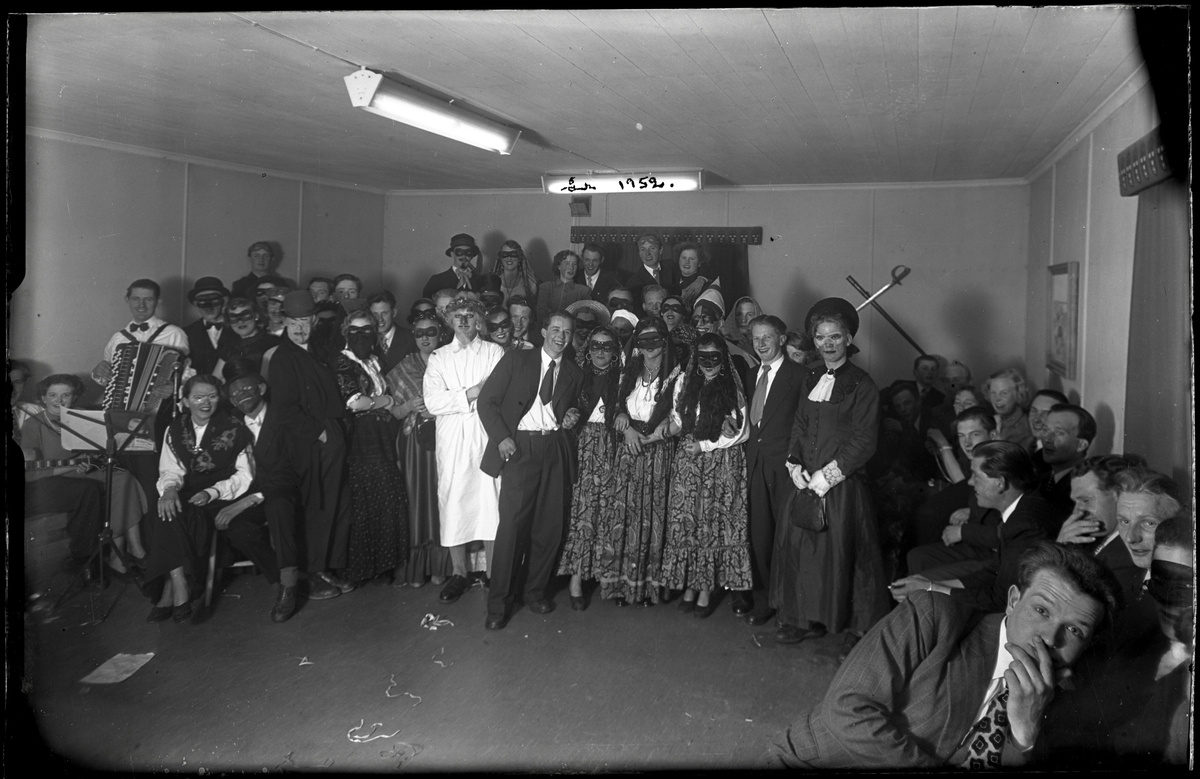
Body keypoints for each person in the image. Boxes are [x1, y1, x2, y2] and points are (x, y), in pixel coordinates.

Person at [772, 542, 1122, 769]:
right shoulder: (936, 617)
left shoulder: (1069, 697)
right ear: (1014, 600)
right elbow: (847, 710)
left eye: (1074, 630)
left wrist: (1024, 734)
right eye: (1041, 611)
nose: (1050, 637)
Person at [774, 298, 890, 658]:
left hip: (841, 486)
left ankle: (854, 629)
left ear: (849, 338)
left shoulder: (863, 384)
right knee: (803, 551)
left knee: (842, 555)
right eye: (821, 337)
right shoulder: (810, 376)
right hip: (805, 479)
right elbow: (800, 423)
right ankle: (807, 619)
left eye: (835, 337)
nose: (828, 343)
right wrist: (794, 463)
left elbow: (864, 441)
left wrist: (826, 477)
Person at [140, 374, 276, 623]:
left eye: (211, 396)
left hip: (224, 496)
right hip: (187, 492)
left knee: (171, 516)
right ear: (185, 401)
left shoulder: (235, 427)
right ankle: (179, 583)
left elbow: (245, 475)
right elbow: (170, 469)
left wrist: (211, 492)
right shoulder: (175, 428)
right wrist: (169, 490)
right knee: (164, 508)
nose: (205, 402)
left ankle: (172, 589)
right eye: (198, 397)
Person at [478, 311, 584, 629]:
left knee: (549, 527)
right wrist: (502, 438)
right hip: (520, 447)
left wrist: (572, 413)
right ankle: (499, 605)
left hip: (555, 448)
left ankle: (534, 592)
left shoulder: (574, 373)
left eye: (567, 332)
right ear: (543, 332)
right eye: (555, 329)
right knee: (512, 528)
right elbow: (487, 401)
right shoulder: (516, 360)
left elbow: (572, 406)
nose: (560, 336)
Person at [892, 441, 1055, 615]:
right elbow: (995, 571)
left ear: (1000, 483)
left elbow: (1001, 600)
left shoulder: (1026, 527)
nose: (970, 482)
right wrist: (932, 584)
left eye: (976, 476)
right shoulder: (1022, 508)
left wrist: (931, 588)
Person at [661, 334, 753, 618]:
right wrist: (663, 429)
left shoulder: (732, 387)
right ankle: (690, 584)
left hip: (720, 459)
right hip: (689, 459)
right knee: (688, 519)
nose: (709, 363)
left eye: (715, 357)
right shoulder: (684, 382)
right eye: (703, 357)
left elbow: (742, 432)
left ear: (723, 358)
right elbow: (679, 419)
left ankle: (705, 588)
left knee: (712, 522)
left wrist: (705, 445)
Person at [267, 291, 351, 601]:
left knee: (335, 504)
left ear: (314, 321)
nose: (300, 328)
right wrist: (319, 433)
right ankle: (313, 573)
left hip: (331, 434)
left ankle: (327, 567)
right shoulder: (283, 358)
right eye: (294, 322)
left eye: (305, 321)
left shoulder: (317, 348)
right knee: (317, 506)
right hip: (310, 441)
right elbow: (284, 411)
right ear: (284, 322)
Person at [21, 373, 148, 578]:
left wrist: (92, 457)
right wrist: (73, 466)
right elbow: (31, 472)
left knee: (124, 478)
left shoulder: (82, 416)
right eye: (52, 395)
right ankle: (121, 556)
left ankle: (132, 548)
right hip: (58, 477)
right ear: (43, 398)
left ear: (74, 397)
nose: (59, 400)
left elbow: (97, 447)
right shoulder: (32, 425)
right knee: (102, 486)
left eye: (66, 395)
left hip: (86, 470)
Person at [596, 316, 682, 606]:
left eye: (654, 340)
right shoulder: (627, 372)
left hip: (657, 451)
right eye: (643, 340)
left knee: (653, 515)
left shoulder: (677, 375)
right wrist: (626, 425)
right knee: (625, 514)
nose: (649, 346)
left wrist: (651, 437)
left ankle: (648, 588)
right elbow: (615, 406)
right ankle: (621, 586)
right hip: (629, 448)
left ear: (664, 342)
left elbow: (678, 419)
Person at [423, 296, 504, 604]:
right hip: (453, 439)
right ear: (449, 320)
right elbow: (433, 401)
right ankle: (459, 573)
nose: (464, 320)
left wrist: (461, 397)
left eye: (470, 315)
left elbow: (497, 391)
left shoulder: (494, 352)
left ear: (479, 319)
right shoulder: (439, 357)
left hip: (486, 434)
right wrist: (472, 392)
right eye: (458, 315)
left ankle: (493, 573)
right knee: (454, 501)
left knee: (490, 501)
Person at [221, 360, 307, 622]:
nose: (241, 396)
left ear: (261, 387)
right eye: (234, 393)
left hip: (286, 488)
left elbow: (289, 470)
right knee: (238, 529)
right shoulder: (232, 423)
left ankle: (289, 585)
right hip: (251, 493)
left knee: (279, 507)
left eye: (246, 388)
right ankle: (281, 579)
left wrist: (252, 499)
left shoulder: (283, 417)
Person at [332, 311, 409, 587]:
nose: (361, 336)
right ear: (346, 333)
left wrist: (381, 402)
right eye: (354, 331)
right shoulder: (343, 361)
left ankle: (386, 564)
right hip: (361, 439)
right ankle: (364, 567)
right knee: (369, 497)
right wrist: (384, 401)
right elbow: (354, 402)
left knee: (386, 496)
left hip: (382, 435)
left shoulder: (375, 361)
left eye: (367, 330)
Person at [742, 315, 807, 624]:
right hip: (755, 462)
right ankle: (771, 598)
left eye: (767, 337)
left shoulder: (801, 375)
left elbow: (805, 425)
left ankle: (795, 603)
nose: (761, 343)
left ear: (782, 339)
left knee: (790, 535)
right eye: (756, 338)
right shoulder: (750, 374)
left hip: (786, 466)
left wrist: (796, 460)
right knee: (761, 534)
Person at [386, 310, 454, 588]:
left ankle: (441, 567)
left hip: (445, 439)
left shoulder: (451, 362)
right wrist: (408, 406)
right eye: (419, 333)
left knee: (442, 499)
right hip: (414, 445)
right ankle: (416, 569)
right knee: (417, 499)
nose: (425, 338)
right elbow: (394, 412)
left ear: (441, 334)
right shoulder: (403, 367)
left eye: (431, 332)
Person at [557, 325, 623, 611]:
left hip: (614, 446)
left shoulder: (624, 377)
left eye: (606, 346)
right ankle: (576, 581)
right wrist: (569, 414)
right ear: (588, 348)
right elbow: (562, 408)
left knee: (611, 509)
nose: (600, 351)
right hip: (582, 446)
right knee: (583, 510)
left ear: (615, 350)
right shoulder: (576, 375)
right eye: (595, 345)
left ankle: (609, 578)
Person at [1054, 454, 1147, 602]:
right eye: (1075, 502)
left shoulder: (1130, 553)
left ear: (1119, 495)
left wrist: (1060, 556)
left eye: (1086, 500)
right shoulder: (1092, 539)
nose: (1077, 511)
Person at [93, 279, 190, 389]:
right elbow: (108, 380)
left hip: (161, 399)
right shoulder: (118, 338)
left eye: (148, 299)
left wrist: (172, 388)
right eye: (135, 299)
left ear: (158, 301)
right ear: (127, 300)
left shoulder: (174, 333)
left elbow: (187, 376)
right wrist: (97, 373)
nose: (141, 305)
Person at [1036, 404, 1095, 531]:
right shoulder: (1042, 478)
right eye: (1046, 430)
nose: (1047, 439)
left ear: (1081, 445)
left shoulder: (1084, 488)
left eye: (1059, 433)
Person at [214, 297, 281, 380]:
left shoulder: (272, 343)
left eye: (245, 315)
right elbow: (215, 379)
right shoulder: (229, 347)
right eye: (233, 317)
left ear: (256, 316)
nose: (240, 322)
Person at [182, 277, 237, 375]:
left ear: (224, 301)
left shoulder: (238, 327)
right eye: (202, 302)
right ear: (195, 304)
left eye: (214, 300)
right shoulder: (187, 333)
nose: (208, 307)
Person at [982, 368, 1034, 453]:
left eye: (1004, 393)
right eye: (993, 393)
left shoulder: (1023, 431)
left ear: (1019, 394)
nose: (997, 399)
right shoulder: (996, 421)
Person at [423, 233, 487, 299]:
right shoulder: (436, 281)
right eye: (459, 252)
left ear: (472, 256)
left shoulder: (481, 281)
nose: (464, 256)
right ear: (452, 254)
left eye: (468, 253)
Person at [536, 250, 589, 326]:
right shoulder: (546, 287)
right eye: (567, 263)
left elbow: (585, 319)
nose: (571, 267)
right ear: (559, 266)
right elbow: (541, 315)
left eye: (574, 264)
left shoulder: (584, 291)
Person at [367, 291, 415, 375]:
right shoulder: (365, 340)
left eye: (384, 313)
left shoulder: (411, 338)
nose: (380, 319)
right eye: (375, 314)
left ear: (394, 313)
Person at [624, 233, 680, 302]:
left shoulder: (671, 266)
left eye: (652, 248)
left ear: (660, 250)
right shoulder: (633, 282)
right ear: (639, 253)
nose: (647, 253)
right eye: (643, 249)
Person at [675, 242, 710, 310]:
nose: (687, 262)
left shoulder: (702, 285)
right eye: (683, 258)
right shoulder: (672, 275)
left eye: (692, 259)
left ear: (699, 263)